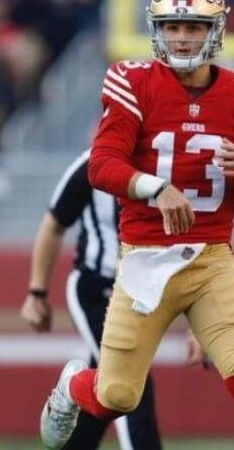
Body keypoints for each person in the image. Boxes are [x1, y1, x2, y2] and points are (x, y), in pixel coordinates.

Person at [39, 0, 234, 450]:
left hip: (212, 259)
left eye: (193, 27)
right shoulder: (132, 80)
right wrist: (156, 188)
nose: (181, 37)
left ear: (214, 30)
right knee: (116, 395)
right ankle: (75, 384)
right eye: (172, 26)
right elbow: (102, 165)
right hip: (144, 262)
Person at [22, 150, 164, 449]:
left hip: (141, 292)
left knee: (106, 382)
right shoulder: (90, 166)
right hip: (96, 287)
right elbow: (53, 224)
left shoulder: (168, 162)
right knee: (128, 377)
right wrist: (37, 293)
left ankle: (72, 400)